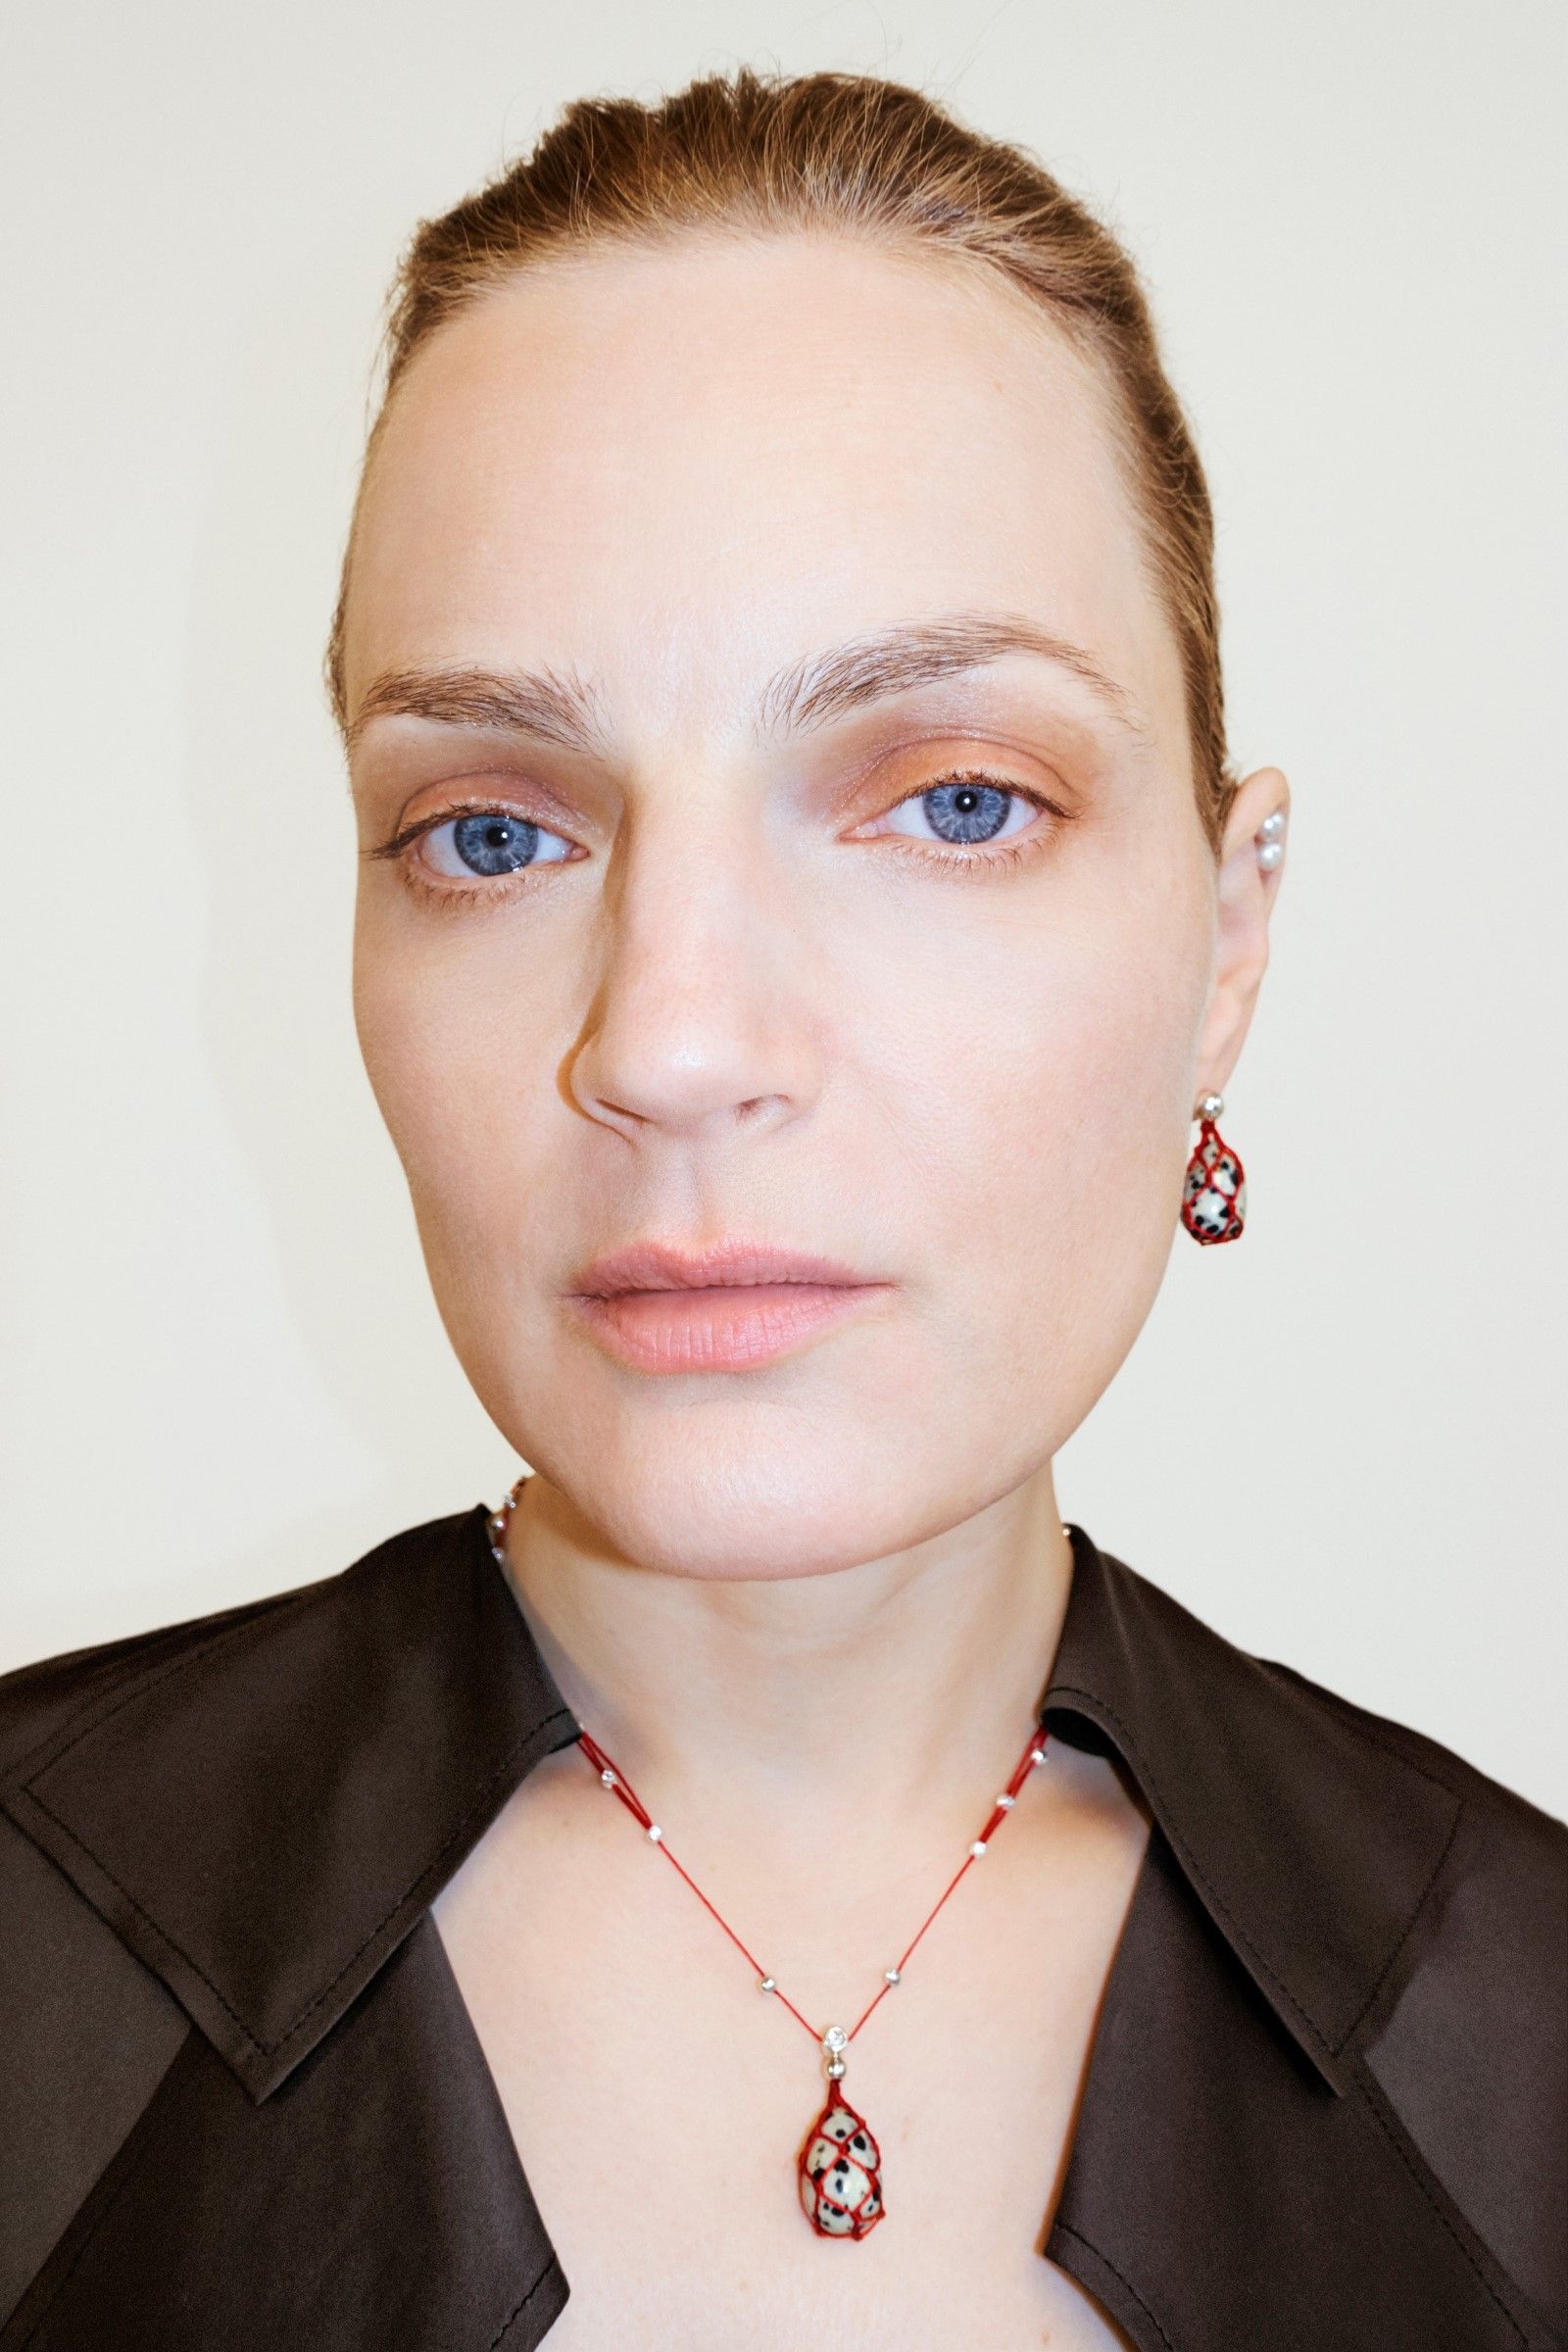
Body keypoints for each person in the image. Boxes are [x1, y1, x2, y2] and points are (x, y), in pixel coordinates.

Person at [0, 63, 1561, 2352]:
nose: (667, 1038)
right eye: (495, 835)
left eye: (950, 801)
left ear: (1226, 939)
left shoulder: (1524, 2040)